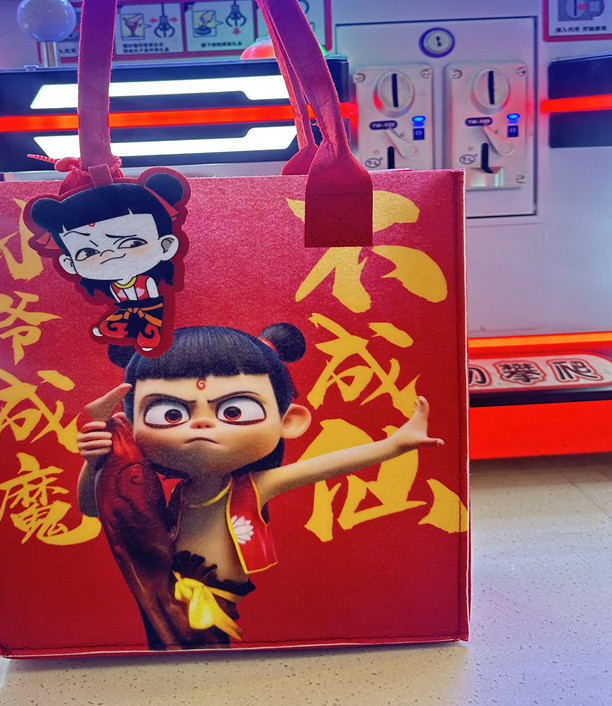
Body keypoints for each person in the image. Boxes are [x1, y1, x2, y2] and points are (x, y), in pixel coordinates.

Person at [76, 323, 444, 649]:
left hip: (214, 602)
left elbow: (326, 466)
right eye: (171, 413)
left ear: (290, 421)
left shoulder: (252, 487)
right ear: (132, 425)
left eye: (233, 411)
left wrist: (394, 444)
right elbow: (94, 507)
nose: (202, 424)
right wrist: (97, 460)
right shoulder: (174, 491)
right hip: (168, 597)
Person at [28, 170, 187, 355]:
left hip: (150, 311)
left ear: (166, 246)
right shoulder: (114, 287)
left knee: (148, 326)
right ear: (69, 263)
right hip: (126, 313)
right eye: (88, 252)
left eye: (132, 243)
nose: (109, 255)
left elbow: (154, 302)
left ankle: (147, 332)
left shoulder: (147, 282)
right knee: (115, 323)